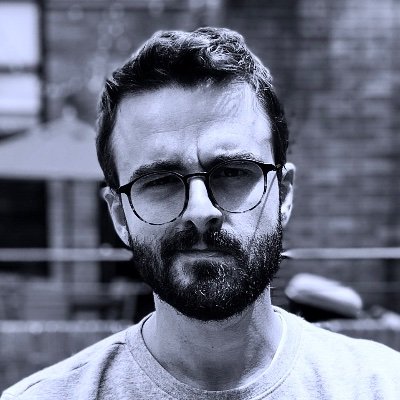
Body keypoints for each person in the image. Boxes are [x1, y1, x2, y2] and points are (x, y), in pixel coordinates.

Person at [2, 27, 400, 400]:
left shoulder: (381, 386)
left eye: (231, 173)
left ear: (283, 194)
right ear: (120, 216)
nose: (200, 210)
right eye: (160, 180)